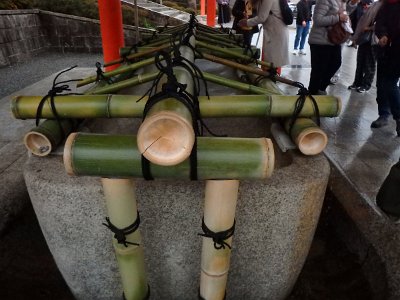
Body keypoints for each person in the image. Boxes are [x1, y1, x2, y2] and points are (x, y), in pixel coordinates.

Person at [307, 0, 359, 95]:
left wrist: (352, 4)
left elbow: (345, 12)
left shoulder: (341, 1)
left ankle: (320, 89)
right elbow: (318, 20)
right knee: (318, 71)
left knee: (336, 63)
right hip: (320, 41)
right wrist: (338, 18)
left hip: (333, 41)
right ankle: (313, 94)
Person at [371, 0, 400, 136]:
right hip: (387, 51)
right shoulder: (386, 5)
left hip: (395, 52)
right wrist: (383, 35)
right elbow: (380, 24)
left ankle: (398, 117)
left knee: (389, 84)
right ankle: (384, 114)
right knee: (384, 84)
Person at [238, 0, 289, 69]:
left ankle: (271, 75)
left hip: (276, 31)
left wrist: (247, 22)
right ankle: (271, 74)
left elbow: (262, 17)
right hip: (273, 30)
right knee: (271, 60)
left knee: (272, 61)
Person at [347, 0, 380, 93]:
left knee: (370, 63)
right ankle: (357, 82)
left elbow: (381, 24)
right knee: (360, 61)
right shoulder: (373, 4)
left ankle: (366, 84)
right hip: (364, 38)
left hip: (374, 40)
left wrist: (368, 28)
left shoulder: (383, 6)